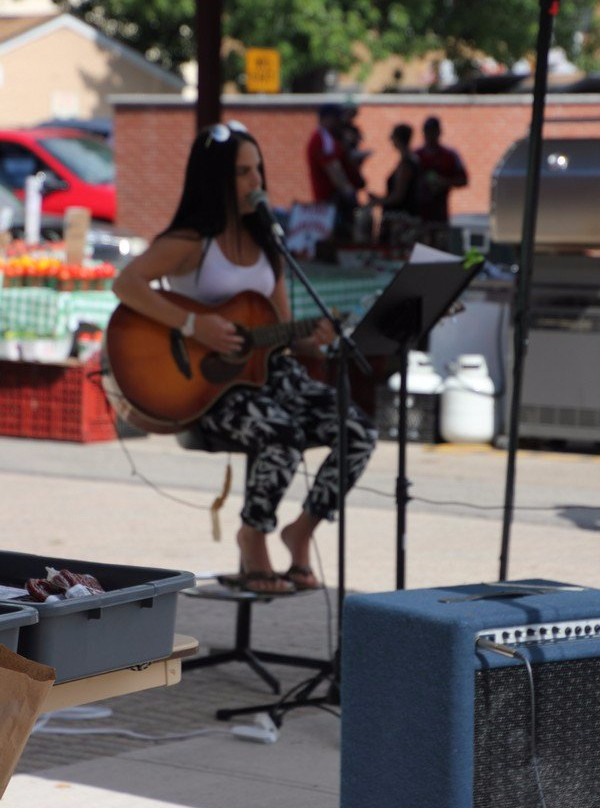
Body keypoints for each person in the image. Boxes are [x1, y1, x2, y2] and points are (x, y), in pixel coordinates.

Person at [113, 121, 377, 595]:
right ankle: (253, 535)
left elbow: (284, 335)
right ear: (214, 178)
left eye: (259, 171)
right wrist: (193, 326)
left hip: (274, 376)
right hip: (211, 391)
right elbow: (126, 284)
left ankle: (302, 532)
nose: (256, 183)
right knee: (281, 434)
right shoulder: (191, 242)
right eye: (242, 172)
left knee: (357, 429)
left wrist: (312, 338)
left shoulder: (268, 247)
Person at [306, 103, 362, 240]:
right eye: (337, 118)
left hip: (332, 199)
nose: (340, 122)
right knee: (339, 240)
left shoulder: (329, 138)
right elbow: (333, 168)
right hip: (330, 199)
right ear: (327, 119)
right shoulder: (322, 138)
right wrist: (349, 192)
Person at [414, 116, 468, 244]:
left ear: (439, 132)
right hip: (418, 216)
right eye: (428, 131)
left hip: (440, 215)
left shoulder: (449, 156)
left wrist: (444, 182)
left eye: (433, 131)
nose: (430, 135)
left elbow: (463, 180)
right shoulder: (416, 156)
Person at [368, 123, 420, 244]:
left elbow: (398, 196)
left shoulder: (406, 164)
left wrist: (377, 201)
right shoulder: (411, 160)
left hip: (400, 220)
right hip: (404, 217)